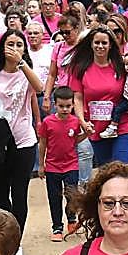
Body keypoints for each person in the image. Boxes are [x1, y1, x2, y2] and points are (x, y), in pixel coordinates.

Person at [0, 28, 43, 255]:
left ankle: (16, 243)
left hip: (23, 141)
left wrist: (22, 63)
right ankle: (2, 237)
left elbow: (40, 88)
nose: (14, 48)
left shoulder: (26, 73)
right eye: (10, 44)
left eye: (19, 44)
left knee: (19, 193)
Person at [68, 27, 128, 166]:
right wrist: (82, 121)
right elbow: (77, 97)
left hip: (123, 125)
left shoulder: (121, 65)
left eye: (104, 43)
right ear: (91, 44)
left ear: (110, 45)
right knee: (106, 171)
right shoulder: (80, 68)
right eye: (97, 42)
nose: (100, 46)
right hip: (96, 127)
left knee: (119, 168)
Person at [39, 87, 88, 240]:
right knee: (54, 198)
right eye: (61, 106)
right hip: (52, 167)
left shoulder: (75, 121)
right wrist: (41, 164)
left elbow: (75, 140)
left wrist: (86, 134)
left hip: (71, 165)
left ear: (73, 105)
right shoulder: (48, 122)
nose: (65, 109)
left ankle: (71, 220)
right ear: (55, 105)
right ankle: (57, 227)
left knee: (72, 196)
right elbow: (43, 143)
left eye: (68, 106)